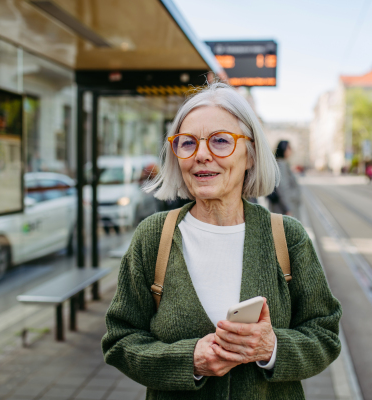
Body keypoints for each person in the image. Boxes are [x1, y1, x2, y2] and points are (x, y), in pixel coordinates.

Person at [101, 82, 342, 400]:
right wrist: (191, 361)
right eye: (187, 143)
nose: (201, 155)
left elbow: (324, 335)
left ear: (251, 154)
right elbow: (120, 340)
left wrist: (271, 348)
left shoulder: (288, 237)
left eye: (220, 141)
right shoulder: (153, 236)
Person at [267, 140, 301, 219]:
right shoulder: (281, 165)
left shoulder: (282, 163)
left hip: (284, 208)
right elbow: (283, 188)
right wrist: (288, 209)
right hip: (283, 210)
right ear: (284, 149)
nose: (291, 150)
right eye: (289, 148)